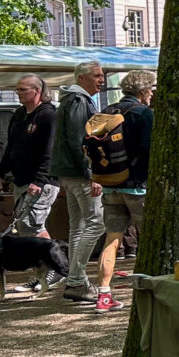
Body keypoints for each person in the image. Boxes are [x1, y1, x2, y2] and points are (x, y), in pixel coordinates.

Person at [0, 74, 63, 293]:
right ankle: (41, 274)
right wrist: (0, 172)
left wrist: (39, 180)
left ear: (37, 91)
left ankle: (56, 269)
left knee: (33, 226)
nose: (19, 93)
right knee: (24, 229)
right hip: (22, 181)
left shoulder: (49, 115)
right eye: (17, 90)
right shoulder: (19, 115)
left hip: (42, 182)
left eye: (23, 90)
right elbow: (11, 148)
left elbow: (51, 152)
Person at [95, 70, 155, 313]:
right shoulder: (143, 113)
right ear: (142, 91)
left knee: (112, 239)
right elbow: (150, 148)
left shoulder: (107, 111)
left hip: (110, 184)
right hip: (137, 186)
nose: (151, 94)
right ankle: (151, 288)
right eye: (150, 89)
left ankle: (103, 295)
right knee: (148, 236)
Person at [50, 61, 106, 303]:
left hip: (69, 172)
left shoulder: (71, 100)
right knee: (96, 223)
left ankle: (77, 281)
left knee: (79, 226)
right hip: (79, 172)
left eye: (102, 75)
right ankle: (75, 280)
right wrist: (91, 173)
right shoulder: (77, 101)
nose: (101, 80)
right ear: (81, 78)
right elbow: (77, 140)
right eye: (97, 75)